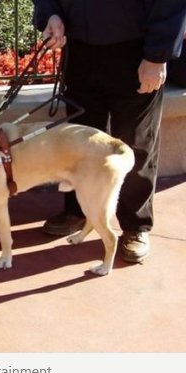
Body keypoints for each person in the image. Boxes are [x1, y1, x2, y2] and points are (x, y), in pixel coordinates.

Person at [32, 0, 186, 263]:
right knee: (79, 141)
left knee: (136, 141)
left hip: (136, 50)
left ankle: (135, 226)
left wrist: (156, 56)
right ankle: (79, 211)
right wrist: (51, 14)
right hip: (79, 51)